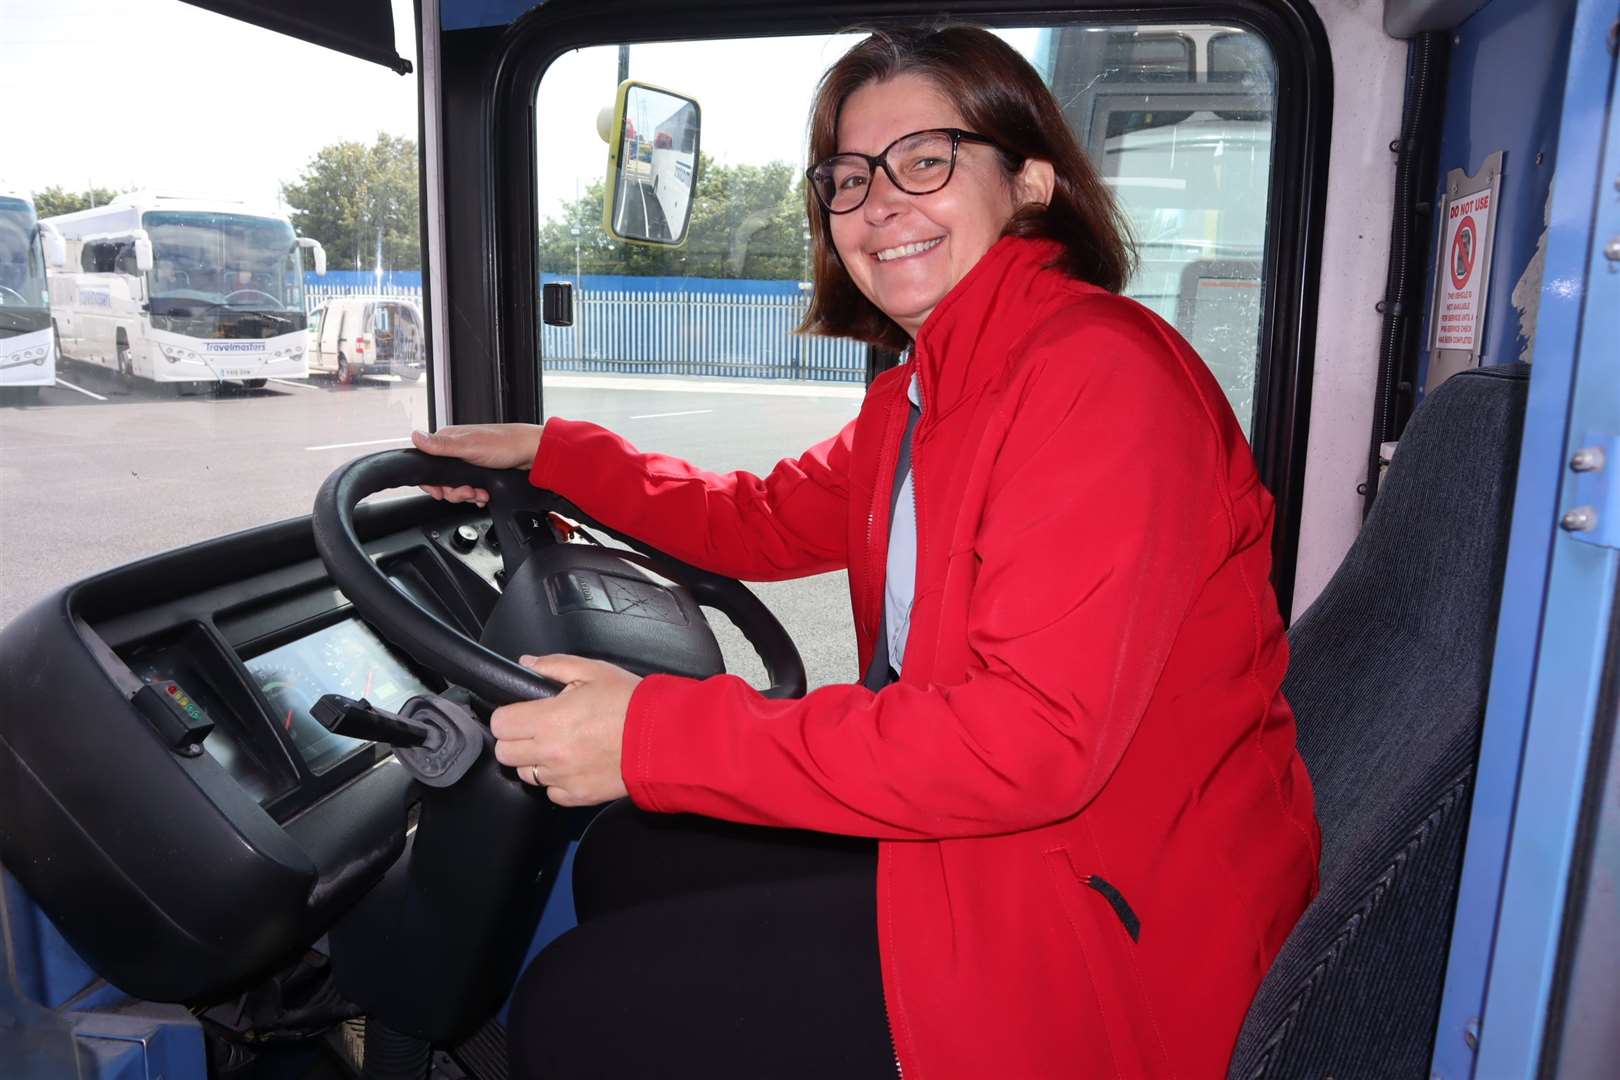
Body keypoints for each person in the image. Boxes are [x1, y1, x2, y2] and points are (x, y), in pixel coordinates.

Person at [412, 26, 1320, 1080]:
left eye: (924, 161)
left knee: (579, 1012)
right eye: (847, 176)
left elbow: (1027, 745)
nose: (878, 202)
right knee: (627, 857)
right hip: (1001, 852)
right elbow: (756, 518)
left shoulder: (1098, 380)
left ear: (1030, 180)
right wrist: (555, 457)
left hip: (1106, 938)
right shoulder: (919, 398)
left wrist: (654, 735)